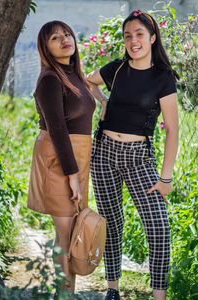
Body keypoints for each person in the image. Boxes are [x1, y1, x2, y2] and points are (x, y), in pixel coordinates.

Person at [87, 10, 179, 300]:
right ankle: (112, 289)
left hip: (139, 157)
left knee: (158, 227)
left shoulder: (163, 77)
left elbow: (173, 131)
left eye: (139, 34)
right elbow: (87, 80)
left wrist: (165, 178)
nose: (133, 40)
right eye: (128, 36)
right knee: (111, 223)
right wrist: (102, 100)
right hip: (103, 152)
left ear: (152, 37)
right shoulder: (116, 69)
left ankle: (159, 296)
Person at [27, 21, 95, 295]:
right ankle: (65, 294)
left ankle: (65, 292)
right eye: (55, 37)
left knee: (67, 233)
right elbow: (57, 129)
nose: (64, 39)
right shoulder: (49, 79)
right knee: (66, 236)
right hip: (59, 160)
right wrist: (72, 176)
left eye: (67, 33)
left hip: (76, 157)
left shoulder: (74, 75)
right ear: (46, 47)